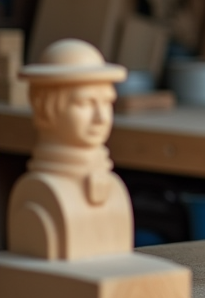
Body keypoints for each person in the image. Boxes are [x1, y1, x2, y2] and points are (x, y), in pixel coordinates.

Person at [8, 39, 133, 261]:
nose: (101, 118)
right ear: (45, 109)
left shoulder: (115, 190)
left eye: (106, 103)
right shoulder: (39, 193)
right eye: (85, 103)